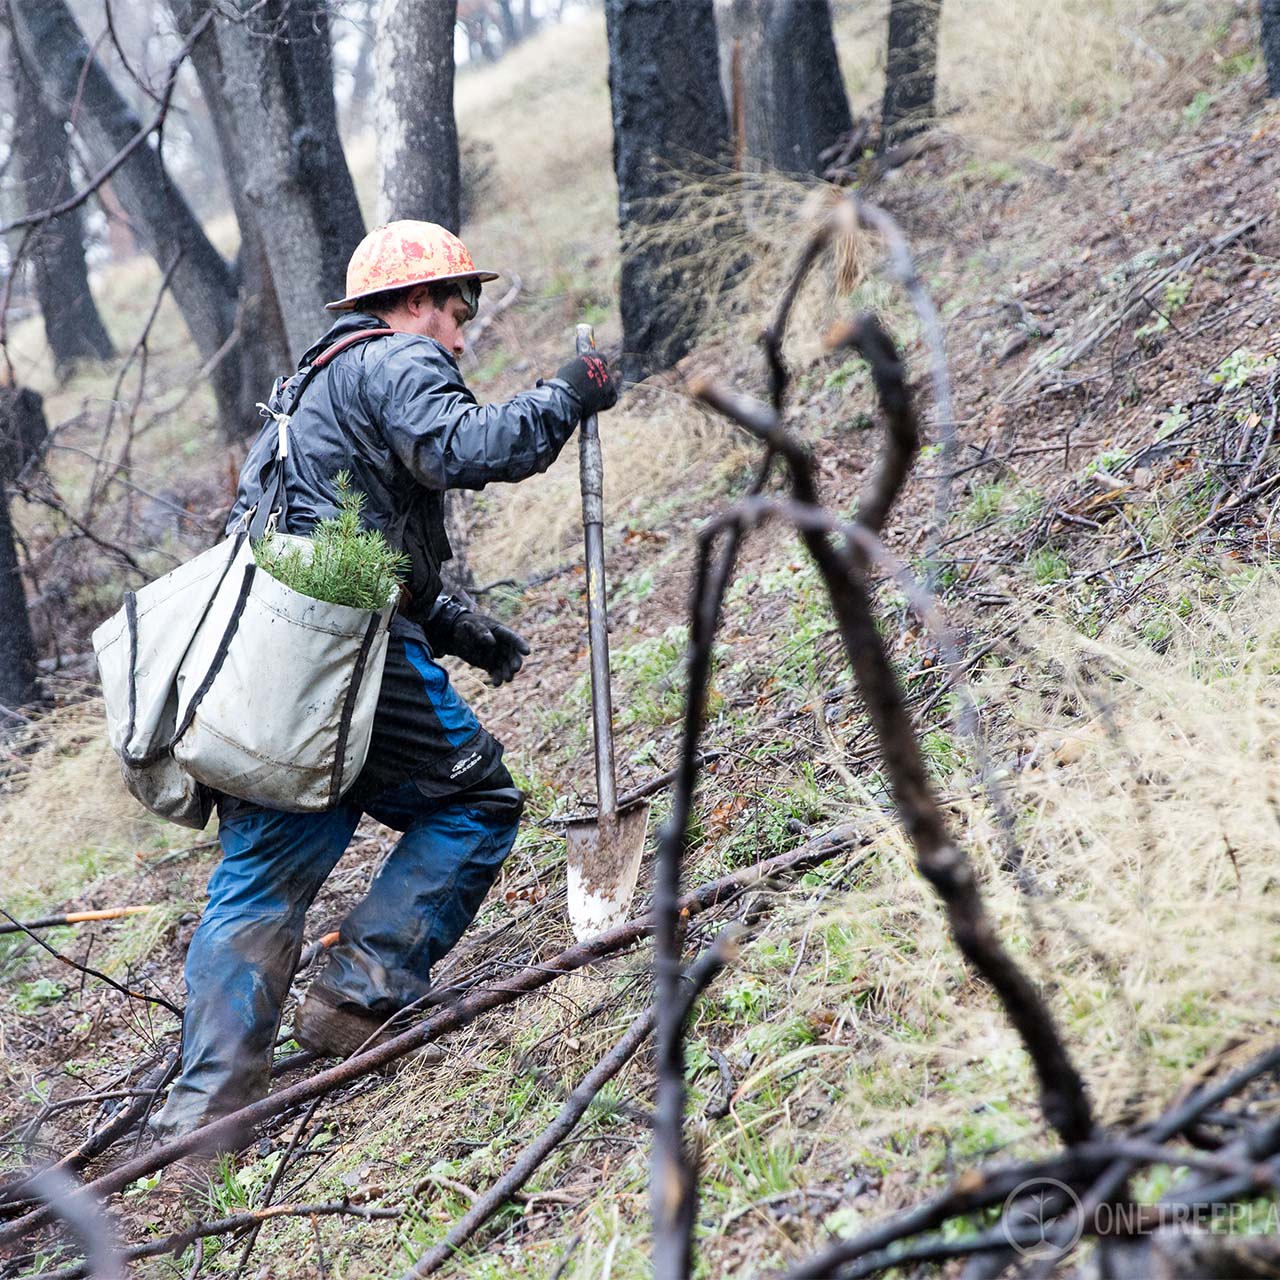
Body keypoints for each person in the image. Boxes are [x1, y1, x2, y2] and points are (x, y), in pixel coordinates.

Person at [152, 221, 618, 1144]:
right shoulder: (396, 360)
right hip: (344, 655)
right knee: (475, 802)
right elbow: (470, 449)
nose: (462, 331)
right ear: (413, 304)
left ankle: (201, 1134)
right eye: (458, 307)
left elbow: (335, 537)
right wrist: (570, 393)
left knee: (258, 884)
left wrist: (454, 626)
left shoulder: (303, 395)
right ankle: (363, 990)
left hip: (263, 676)